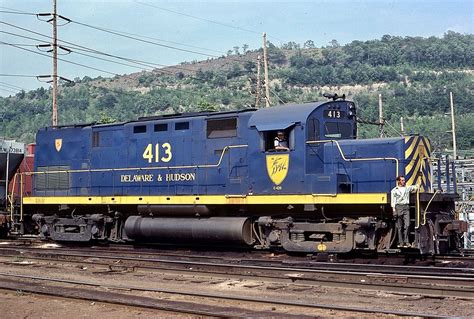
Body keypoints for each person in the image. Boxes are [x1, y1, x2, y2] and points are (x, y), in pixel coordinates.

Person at [390, 175, 418, 248]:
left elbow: (414, 187)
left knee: (407, 224)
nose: (404, 181)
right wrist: (394, 211)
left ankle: (406, 241)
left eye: (404, 180)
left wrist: (418, 183)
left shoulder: (407, 188)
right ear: (398, 181)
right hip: (398, 207)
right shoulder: (394, 190)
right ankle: (401, 242)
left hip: (406, 207)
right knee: (399, 226)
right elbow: (393, 201)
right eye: (402, 180)